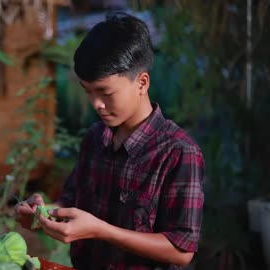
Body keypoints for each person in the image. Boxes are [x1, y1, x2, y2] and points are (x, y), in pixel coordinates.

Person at [14, 11, 205, 270]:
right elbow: (70, 203)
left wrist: (101, 231)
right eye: (88, 92)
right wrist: (42, 213)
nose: (97, 104)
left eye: (105, 92)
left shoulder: (179, 152)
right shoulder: (94, 139)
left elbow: (181, 250)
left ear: (142, 83)